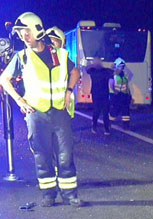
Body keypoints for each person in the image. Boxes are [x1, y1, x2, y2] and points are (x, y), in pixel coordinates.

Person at [0, 12, 81, 207]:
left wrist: (69, 91)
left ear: (37, 29)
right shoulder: (22, 57)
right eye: (20, 34)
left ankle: (70, 194)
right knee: (42, 156)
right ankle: (48, 194)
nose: (23, 37)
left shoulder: (59, 54)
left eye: (26, 32)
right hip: (36, 115)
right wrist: (19, 101)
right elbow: (4, 79)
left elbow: (75, 71)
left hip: (60, 113)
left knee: (65, 155)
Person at [86, 57, 112, 134]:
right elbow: (113, 73)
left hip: (96, 94)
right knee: (105, 112)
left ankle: (95, 127)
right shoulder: (106, 71)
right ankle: (106, 129)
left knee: (97, 111)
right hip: (104, 94)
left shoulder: (92, 71)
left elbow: (86, 69)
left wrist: (92, 64)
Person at [109, 58, 131, 129]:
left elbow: (126, 84)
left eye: (122, 66)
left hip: (124, 95)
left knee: (126, 110)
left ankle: (126, 126)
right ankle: (109, 123)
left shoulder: (124, 75)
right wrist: (115, 91)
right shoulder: (113, 75)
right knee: (115, 110)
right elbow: (111, 84)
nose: (121, 68)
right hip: (116, 96)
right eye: (120, 66)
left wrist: (129, 95)